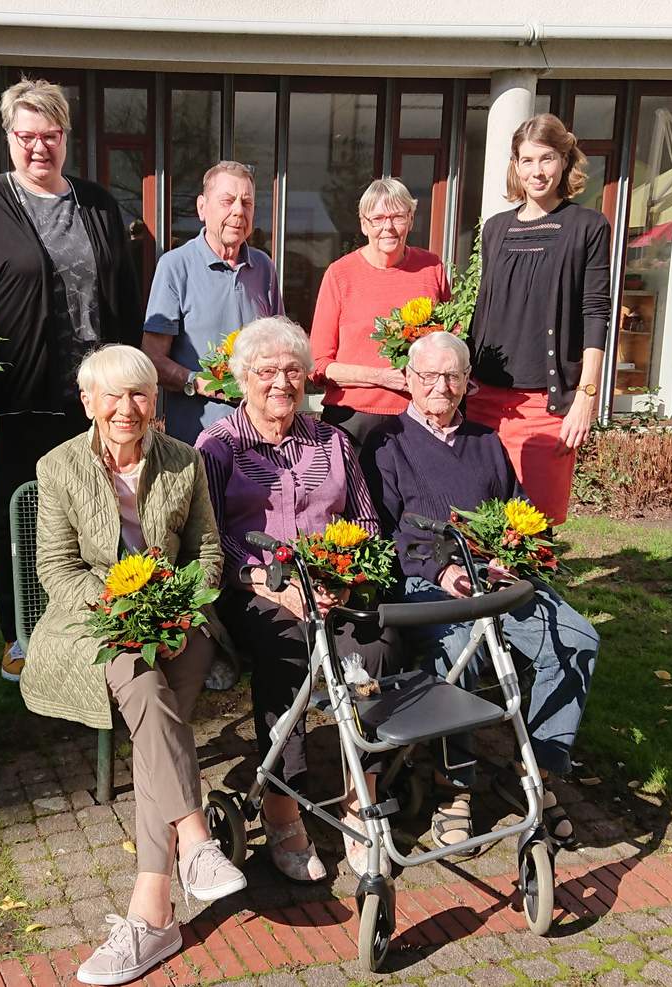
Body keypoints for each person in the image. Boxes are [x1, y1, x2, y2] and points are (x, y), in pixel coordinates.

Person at [24, 345, 246, 985]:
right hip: (104, 619)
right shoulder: (58, 466)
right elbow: (57, 568)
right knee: (147, 688)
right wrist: (121, 611)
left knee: (154, 703)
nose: (127, 409)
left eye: (140, 395)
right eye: (113, 397)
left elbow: (206, 551)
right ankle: (190, 846)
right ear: (88, 402)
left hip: (184, 618)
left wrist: (177, 608)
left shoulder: (186, 462)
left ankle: (153, 920)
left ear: (157, 401)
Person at [364, 330, 598, 851]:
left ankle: (535, 766)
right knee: (458, 652)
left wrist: (514, 558)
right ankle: (456, 784)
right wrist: (440, 569)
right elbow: (384, 532)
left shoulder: (486, 442)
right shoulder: (386, 443)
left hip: (495, 578)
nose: (440, 386)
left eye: (452, 376)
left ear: (468, 382)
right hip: (427, 580)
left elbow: (517, 514)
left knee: (578, 639)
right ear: (408, 379)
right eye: (429, 376)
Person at [195, 317, 397, 882]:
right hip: (255, 589)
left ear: (307, 377)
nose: (281, 382)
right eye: (266, 371)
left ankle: (363, 794)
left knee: (377, 645)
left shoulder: (332, 440)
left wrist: (344, 577)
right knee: (284, 649)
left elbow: (365, 523)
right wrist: (267, 583)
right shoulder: (219, 444)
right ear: (241, 378)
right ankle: (283, 806)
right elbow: (208, 534)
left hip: (332, 584)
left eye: (292, 370)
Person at [0, 78, 143, 684]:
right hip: (21, 397)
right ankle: (20, 633)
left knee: (103, 513)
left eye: (51, 136)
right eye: (26, 136)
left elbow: (122, 301)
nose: (39, 148)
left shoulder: (95, 203)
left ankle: (98, 623)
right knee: (21, 517)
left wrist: (134, 390)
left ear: (67, 137)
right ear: (8, 137)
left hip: (97, 400)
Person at [143, 160, 281, 691]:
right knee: (197, 543)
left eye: (246, 202)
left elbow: (273, 338)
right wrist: (199, 383)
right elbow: (153, 356)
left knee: (249, 533)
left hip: (259, 435)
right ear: (202, 207)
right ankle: (205, 646)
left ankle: (250, 638)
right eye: (227, 200)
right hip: (197, 435)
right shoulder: (175, 266)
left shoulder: (264, 267)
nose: (238, 212)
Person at [467, 113, 610, 525]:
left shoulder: (587, 226)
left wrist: (585, 398)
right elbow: (485, 308)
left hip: (545, 403)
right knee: (480, 517)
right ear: (515, 165)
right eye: (526, 161)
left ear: (565, 161)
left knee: (534, 522)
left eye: (546, 159)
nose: (537, 171)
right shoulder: (496, 229)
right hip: (484, 400)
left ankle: (533, 592)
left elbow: (596, 312)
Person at [309, 177, 449, 447]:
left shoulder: (431, 268)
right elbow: (318, 365)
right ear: (364, 224)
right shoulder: (340, 275)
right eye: (378, 218)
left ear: (411, 219)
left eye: (397, 216)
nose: (388, 227)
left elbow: (449, 341)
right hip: (353, 420)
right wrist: (382, 377)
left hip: (420, 416)